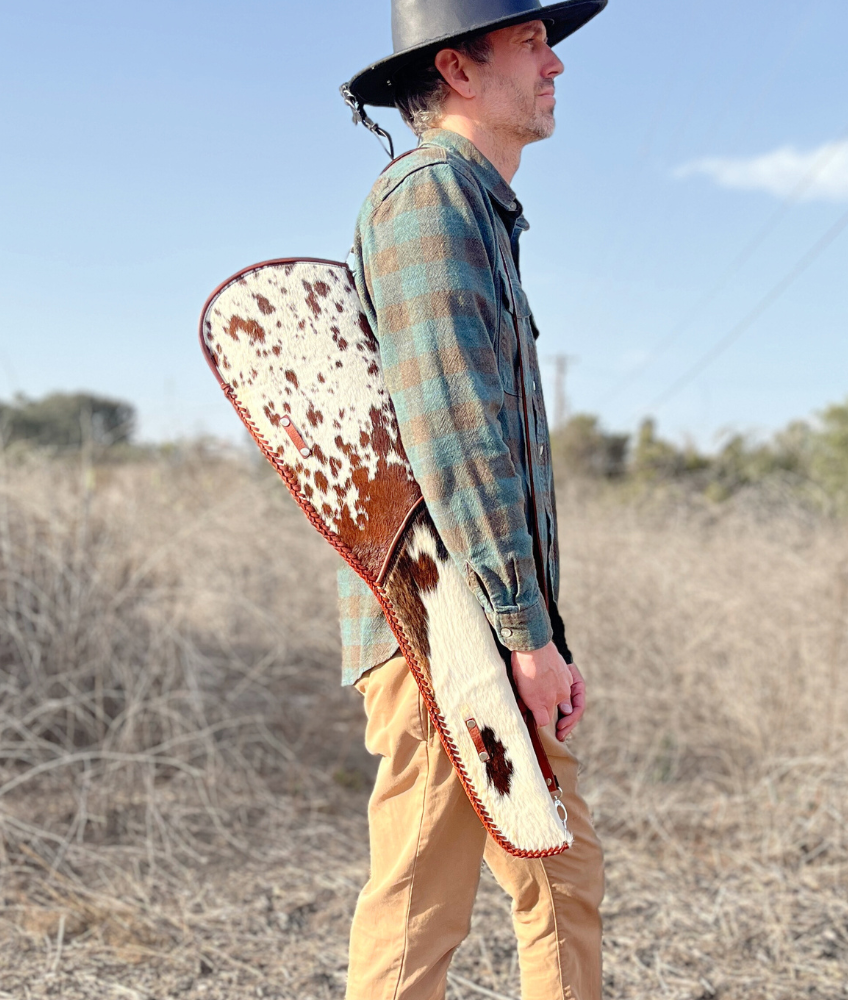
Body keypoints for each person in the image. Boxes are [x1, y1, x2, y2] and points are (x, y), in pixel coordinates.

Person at [339, 2, 608, 997]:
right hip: (437, 623)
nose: (556, 67)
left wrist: (534, 634)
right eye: (533, 44)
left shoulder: (478, 206)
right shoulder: (427, 199)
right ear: (457, 68)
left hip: (492, 620)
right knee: (423, 906)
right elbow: (454, 437)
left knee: (561, 880)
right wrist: (525, 635)